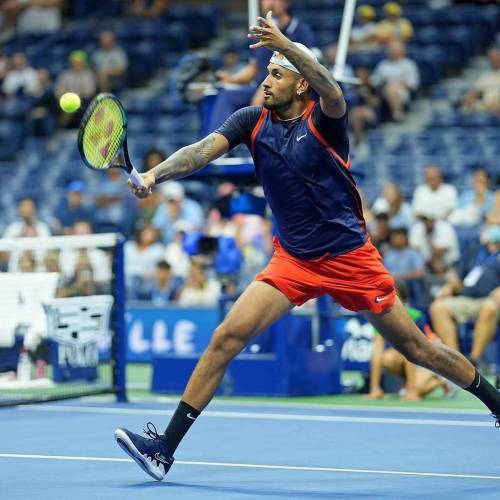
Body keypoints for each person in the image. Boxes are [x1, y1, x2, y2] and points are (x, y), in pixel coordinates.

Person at [114, 12, 500, 482]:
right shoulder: (250, 120)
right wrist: (154, 175)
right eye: (267, 72)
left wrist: (288, 44)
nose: (265, 81)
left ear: (301, 85)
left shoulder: (326, 120)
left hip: (350, 259)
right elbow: (200, 150)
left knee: (418, 349)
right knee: (224, 339)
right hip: (293, 260)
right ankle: (164, 448)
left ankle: (495, 402)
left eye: (276, 73)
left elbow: (332, 88)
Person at [207, 0, 315, 131]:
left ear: (286, 3)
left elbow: (301, 68)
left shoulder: (300, 31)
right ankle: (220, 147)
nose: (269, 3)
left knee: (259, 107)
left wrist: (263, 90)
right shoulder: (263, 31)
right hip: (260, 88)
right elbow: (254, 67)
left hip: (287, 89)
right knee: (227, 94)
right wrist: (231, 80)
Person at [365, 281, 452, 401]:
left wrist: (412, 391)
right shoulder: (379, 317)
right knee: (387, 358)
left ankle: (442, 380)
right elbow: (377, 353)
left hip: (430, 361)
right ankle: (411, 384)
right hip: (410, 359)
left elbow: (413, 350)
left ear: (402, 300)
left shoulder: (413, 315)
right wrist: (375, 388)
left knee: (419, 388)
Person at [429, 226, 500, 365]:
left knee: (489, 308)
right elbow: (459, 277)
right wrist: (450, 286)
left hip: (490, 300)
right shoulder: (476, 251)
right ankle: (455, 362)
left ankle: (474, 361)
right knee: (437, 308)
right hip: (465, 297)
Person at [370, 40, 419, 122]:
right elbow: (374, 81)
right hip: (384, 93)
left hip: (403, 93)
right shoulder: (383, 64)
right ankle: (397, 114)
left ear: (402, 51)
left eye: (396, 49)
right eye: (391, 49)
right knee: (390, 87)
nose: (393, 52)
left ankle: (397, 113)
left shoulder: (408, 64)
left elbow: (413, 84)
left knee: (392, 88)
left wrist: (399, 83)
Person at [409, 205, 460, 276]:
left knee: (437, 263)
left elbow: (440, 254)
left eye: (430, 219)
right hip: (426, 263)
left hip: (448, 263)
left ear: (435, 219)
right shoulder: (417, 228)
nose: (427, 221)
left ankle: (442, 282)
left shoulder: (445, 227)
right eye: (425, 219)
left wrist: (429, 241)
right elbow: (413, 250)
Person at [461, 45, 500, 116]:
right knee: (467, 106)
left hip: (497, 106)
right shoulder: (485, 75)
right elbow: (474, 92)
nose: (494, 59)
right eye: (492, 57)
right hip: (487, 107)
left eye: (496, 57)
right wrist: (468, 100)